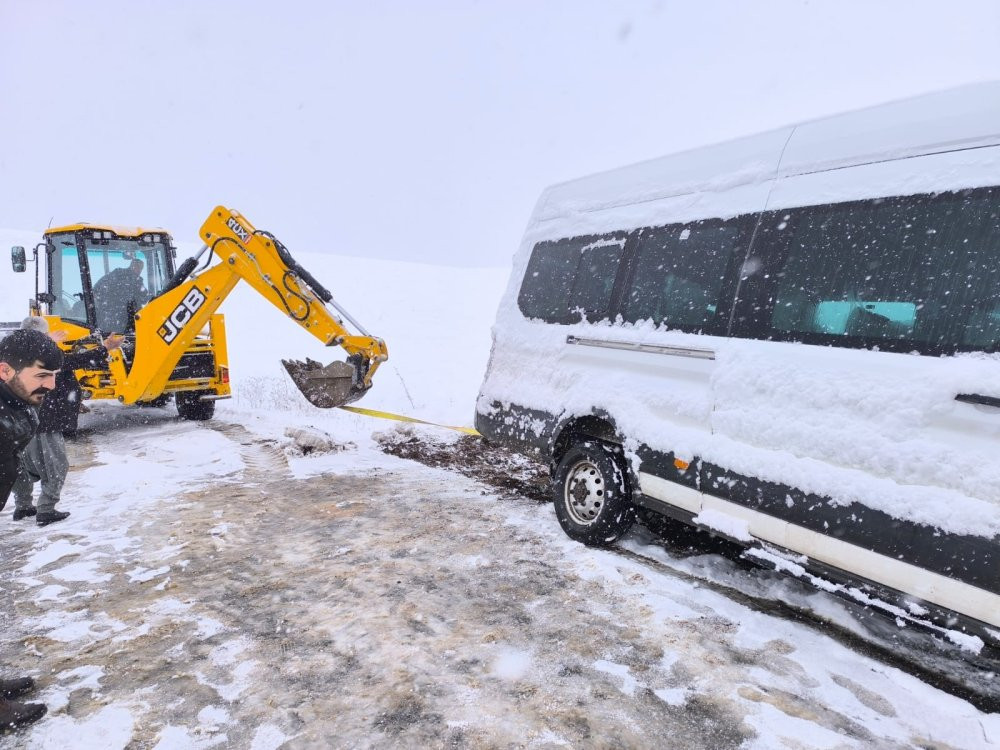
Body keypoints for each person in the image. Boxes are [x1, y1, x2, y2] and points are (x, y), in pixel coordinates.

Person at [0, 327, 62, 730]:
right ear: (5, 370)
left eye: (54, 376)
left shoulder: (15, 403)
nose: (52, 385)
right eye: (42, 375)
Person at [11, 318, 122, 526]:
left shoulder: (13, 353)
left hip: (23, 420)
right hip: (44, 419)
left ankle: (23, 505)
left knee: (23, 465)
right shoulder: (42, 355)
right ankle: (46, 509)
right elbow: (74, 362)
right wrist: (105, 347)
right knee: (56, 465)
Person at [92, 258, 147, 333]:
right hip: (117, 315)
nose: (139, 270)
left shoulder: (137, 281)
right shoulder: (119, 274)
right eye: (138, 267)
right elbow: (98, 288)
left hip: (126, 316)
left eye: (141, 268)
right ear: (132, 266)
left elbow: (144, 298)